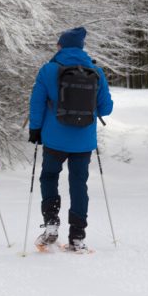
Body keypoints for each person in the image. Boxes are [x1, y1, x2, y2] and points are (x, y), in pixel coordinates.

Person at [28, 26, 113, 252]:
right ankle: (77, 236)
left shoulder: (48, 70)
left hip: (54, 139)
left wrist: (35, 130)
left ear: (61, 46)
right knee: (78, 184)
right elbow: (107, 108)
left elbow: (36, 103)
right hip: (83, 141)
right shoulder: (96, 72)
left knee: (48, 177)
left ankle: (51, 223)